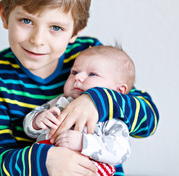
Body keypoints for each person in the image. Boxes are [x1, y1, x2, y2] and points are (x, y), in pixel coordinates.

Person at [0, 0, 159, 176]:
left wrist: (97, 100)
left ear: (75, 31)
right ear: (4, 15)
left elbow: (149, 120)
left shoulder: (88, 55)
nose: (38, 39)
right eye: (26, 20)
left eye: (56, 28)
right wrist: (46, 161)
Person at [23, 45, 135, 175]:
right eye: (74, 72)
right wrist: (37, 120)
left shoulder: (112, 118)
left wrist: (84, 142)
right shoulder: (60, 102)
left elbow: (121, 151)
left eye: (92, 74)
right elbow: (28, 129)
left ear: (118, 91)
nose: (77, 77)